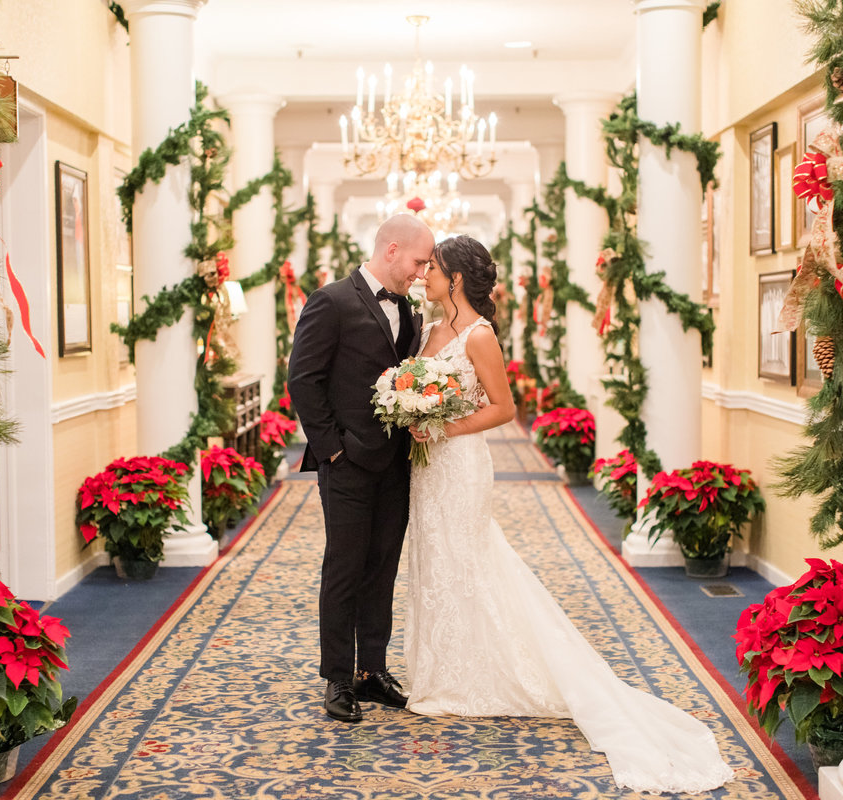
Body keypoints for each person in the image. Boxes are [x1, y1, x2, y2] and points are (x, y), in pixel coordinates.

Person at [405, 235, 734, 794]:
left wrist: (446, 427)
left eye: (433, 269)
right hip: (427, 468)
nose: (425, 277)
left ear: (456, 278)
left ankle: (480, 674)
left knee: (467, 559)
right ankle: (440, 671)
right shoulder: (430, 331)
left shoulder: (480, 336)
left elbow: (504, 408)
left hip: (460, 464)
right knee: (434, 561)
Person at [288, 214, 435, 723]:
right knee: (345, 569)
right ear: (391, 250)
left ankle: (371, 671)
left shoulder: (411, 310)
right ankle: (336, 678)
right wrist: (332, 450)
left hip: (397, 463)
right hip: (347, 462)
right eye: (418, 262)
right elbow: (303, 380)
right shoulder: (331, 301)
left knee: (382, 568)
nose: (421, 273)